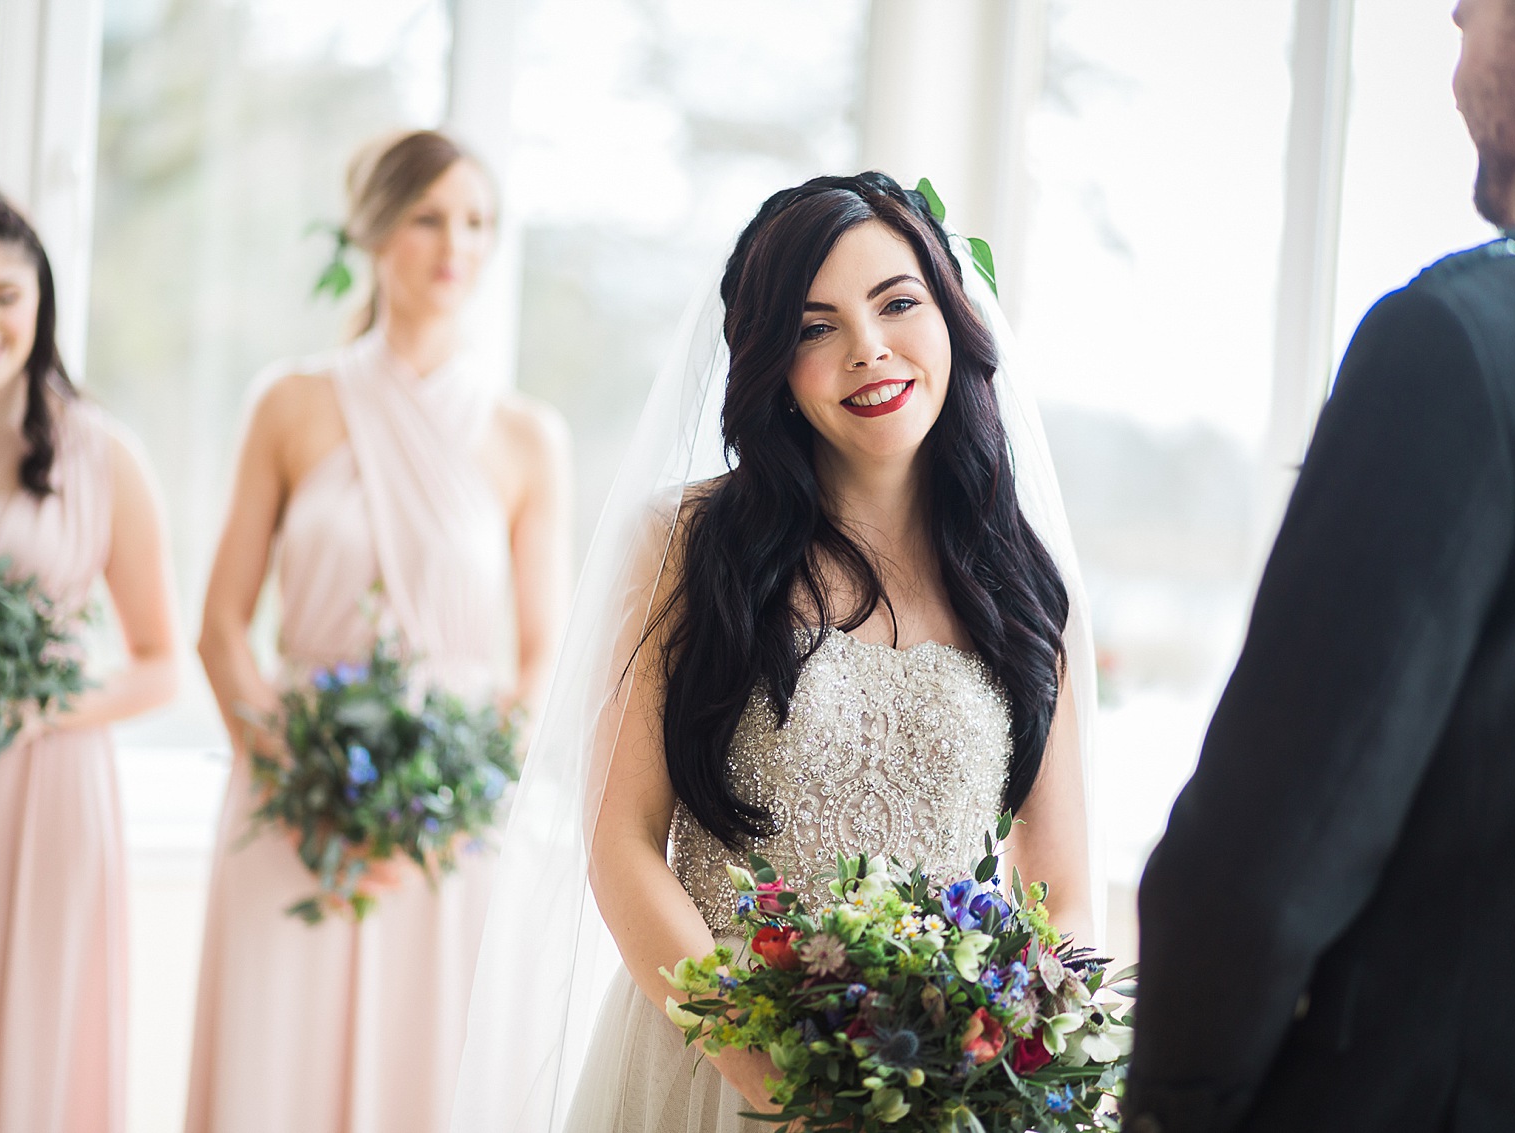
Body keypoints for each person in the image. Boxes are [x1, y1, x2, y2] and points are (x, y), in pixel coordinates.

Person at [449, 172, 1098, 1131]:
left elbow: (1063, 890)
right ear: (771, 367)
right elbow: (622, 844)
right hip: (716, 1067)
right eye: (814, 326)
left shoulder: (1023, 585)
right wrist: (783, 1086)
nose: (868, 349)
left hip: (939, 1095)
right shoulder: (685, 544)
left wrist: (1003, 1054)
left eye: (897, 303)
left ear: (952, 316)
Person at [1124, 1, 1515, 1130]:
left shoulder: (1465, 343)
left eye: (1468, 18)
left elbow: (1264, 860)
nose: (1458, 50)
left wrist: (1173, 1108)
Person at [185, 130, 572, 1133]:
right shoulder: (291, 401)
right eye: (429, 217)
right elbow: (221, 627)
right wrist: (292, 776)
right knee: (276, 1066)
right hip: (293, 796)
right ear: (372, 229)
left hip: (447, 817)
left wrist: (460, 789)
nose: (457, 244)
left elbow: (542, 654)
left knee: (427, 1074)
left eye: (477, 221)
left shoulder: (527, 435)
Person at [0, 186, 181, 1133]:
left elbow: (157, 664)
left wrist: (34, 708)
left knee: (35, 1036)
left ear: (40, 303)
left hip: (48, 789)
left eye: (5, 295)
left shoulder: (105, 455)